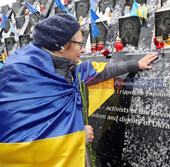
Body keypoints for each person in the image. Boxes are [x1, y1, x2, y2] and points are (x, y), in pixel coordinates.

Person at [0, 14, 157, 166]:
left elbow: (102, 71)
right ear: (61, 46)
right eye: (79, 44)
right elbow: (17, 146)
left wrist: (135, 65)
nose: (83, 50)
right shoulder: (21, 76)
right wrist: (77, 136)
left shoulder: (69, 67)